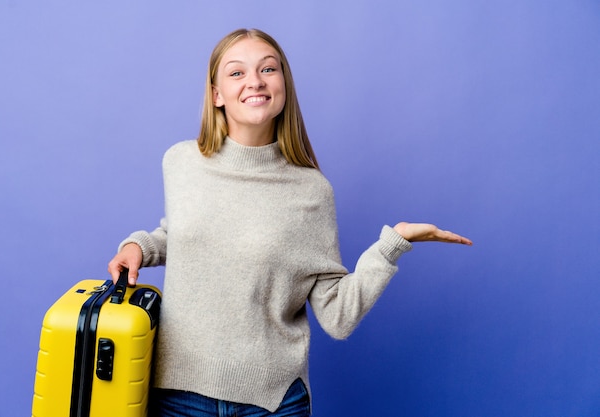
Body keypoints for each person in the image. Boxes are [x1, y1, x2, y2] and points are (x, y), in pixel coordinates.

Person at [108, 28, 472, 417]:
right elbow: (182, 234)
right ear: (216, 94)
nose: (255, 81)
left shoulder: (311, 191)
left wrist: (392, 244)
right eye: (236, 73)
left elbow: (337, 315)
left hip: (272, 402)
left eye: (269, 69)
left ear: (283, 85)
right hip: (177, 395)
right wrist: (139, 247)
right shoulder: (180, 163)